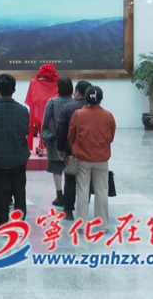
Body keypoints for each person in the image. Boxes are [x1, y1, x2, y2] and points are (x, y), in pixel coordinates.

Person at [0, 74, 30, 226]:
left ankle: (2, 222)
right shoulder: (23, 110)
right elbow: (26, 131)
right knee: (19, 192)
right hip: (19, 156)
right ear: (14, 90)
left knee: (1, 192)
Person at [69, 86, 115, 233]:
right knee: (102, 191)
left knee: (83, 190)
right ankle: (103, 225)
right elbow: (111, 137)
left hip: (83, 158)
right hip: (102, 158)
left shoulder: (78, 115)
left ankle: (81, 225)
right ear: (101, 99)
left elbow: (71, 135)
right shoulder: (108, 116)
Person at [56, 80, 91, 220]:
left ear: (76, 93)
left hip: (72, 150)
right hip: (89, 151)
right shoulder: (94, 108)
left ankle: (68, 210)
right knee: (85, 181)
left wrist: (61, 148)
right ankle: (83, 210)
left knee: (70, 180)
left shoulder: (68, 108)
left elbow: (61, 130)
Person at [41, 76, 74, 208]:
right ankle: (69, 195)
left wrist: (47, 136)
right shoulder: (75, 103)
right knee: (70, 170)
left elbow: (45, 123)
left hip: (55, 141)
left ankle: (59, 196)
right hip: (71, 142)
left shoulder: (52, 102)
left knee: (57, 170)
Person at [24, 63, 59, 155]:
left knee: (42, 126)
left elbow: (31, 101)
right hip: (54, 110)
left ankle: (42, 145)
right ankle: (49, 146)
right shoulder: (57, 84)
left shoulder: (34, 83)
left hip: (40, 110)